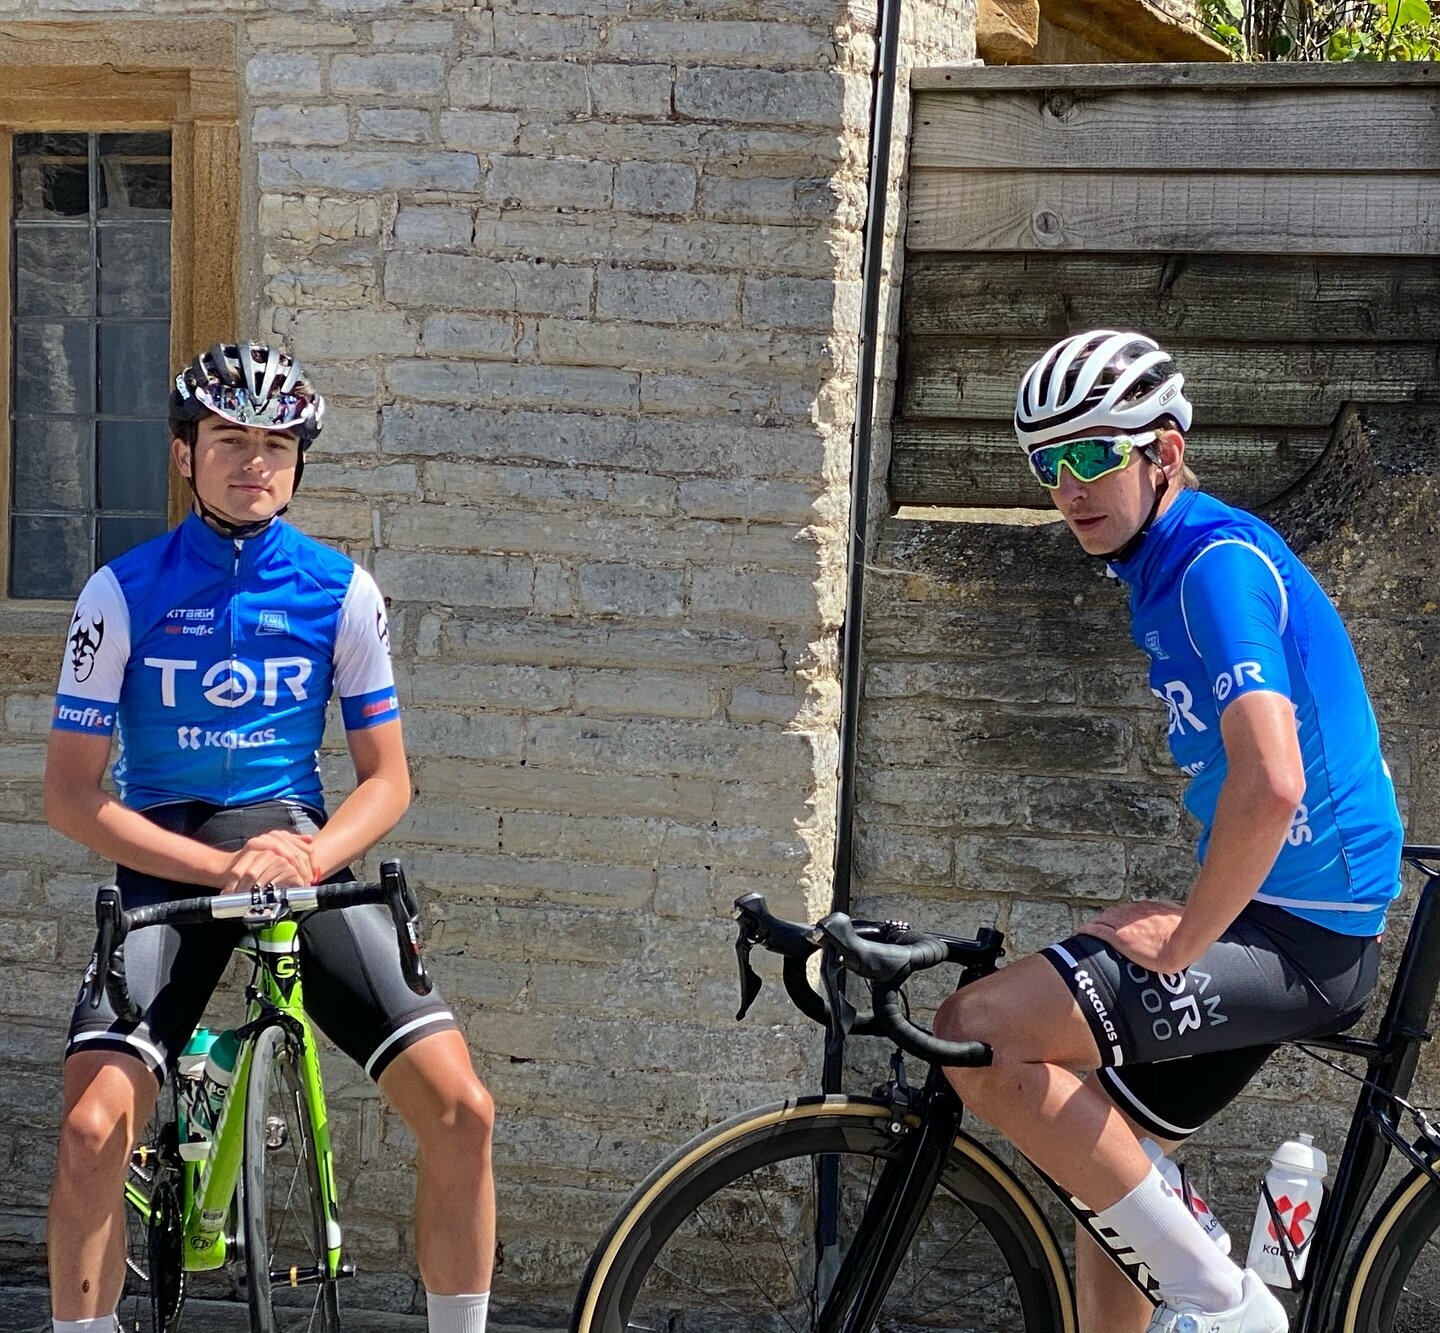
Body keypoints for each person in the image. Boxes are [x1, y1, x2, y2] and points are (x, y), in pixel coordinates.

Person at [932, 330, 1403, 1333]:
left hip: (1302, 938)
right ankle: (1199, 1286)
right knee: (1117, 1198)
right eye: (1048, 464)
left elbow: (1273, 783)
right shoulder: (1161, 566)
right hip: (1275, 918)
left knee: (975, 1031)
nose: (1069, 486)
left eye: (1095, 454)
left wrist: (1186, 944)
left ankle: (1230, 1308)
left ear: (1166, 454)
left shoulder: (1213, 567)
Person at [44, 343, 496, 1333]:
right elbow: (73, 797)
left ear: (298, 459)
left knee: (465, 1113)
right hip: (171, 862)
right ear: (183, 453)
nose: (255, 461)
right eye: (231, 439)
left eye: (276, 443)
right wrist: (220, 868)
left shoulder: (342, 593)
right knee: (88, 1129)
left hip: (296, 853)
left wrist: (308, 858)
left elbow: (389, 779)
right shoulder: (118, 595)